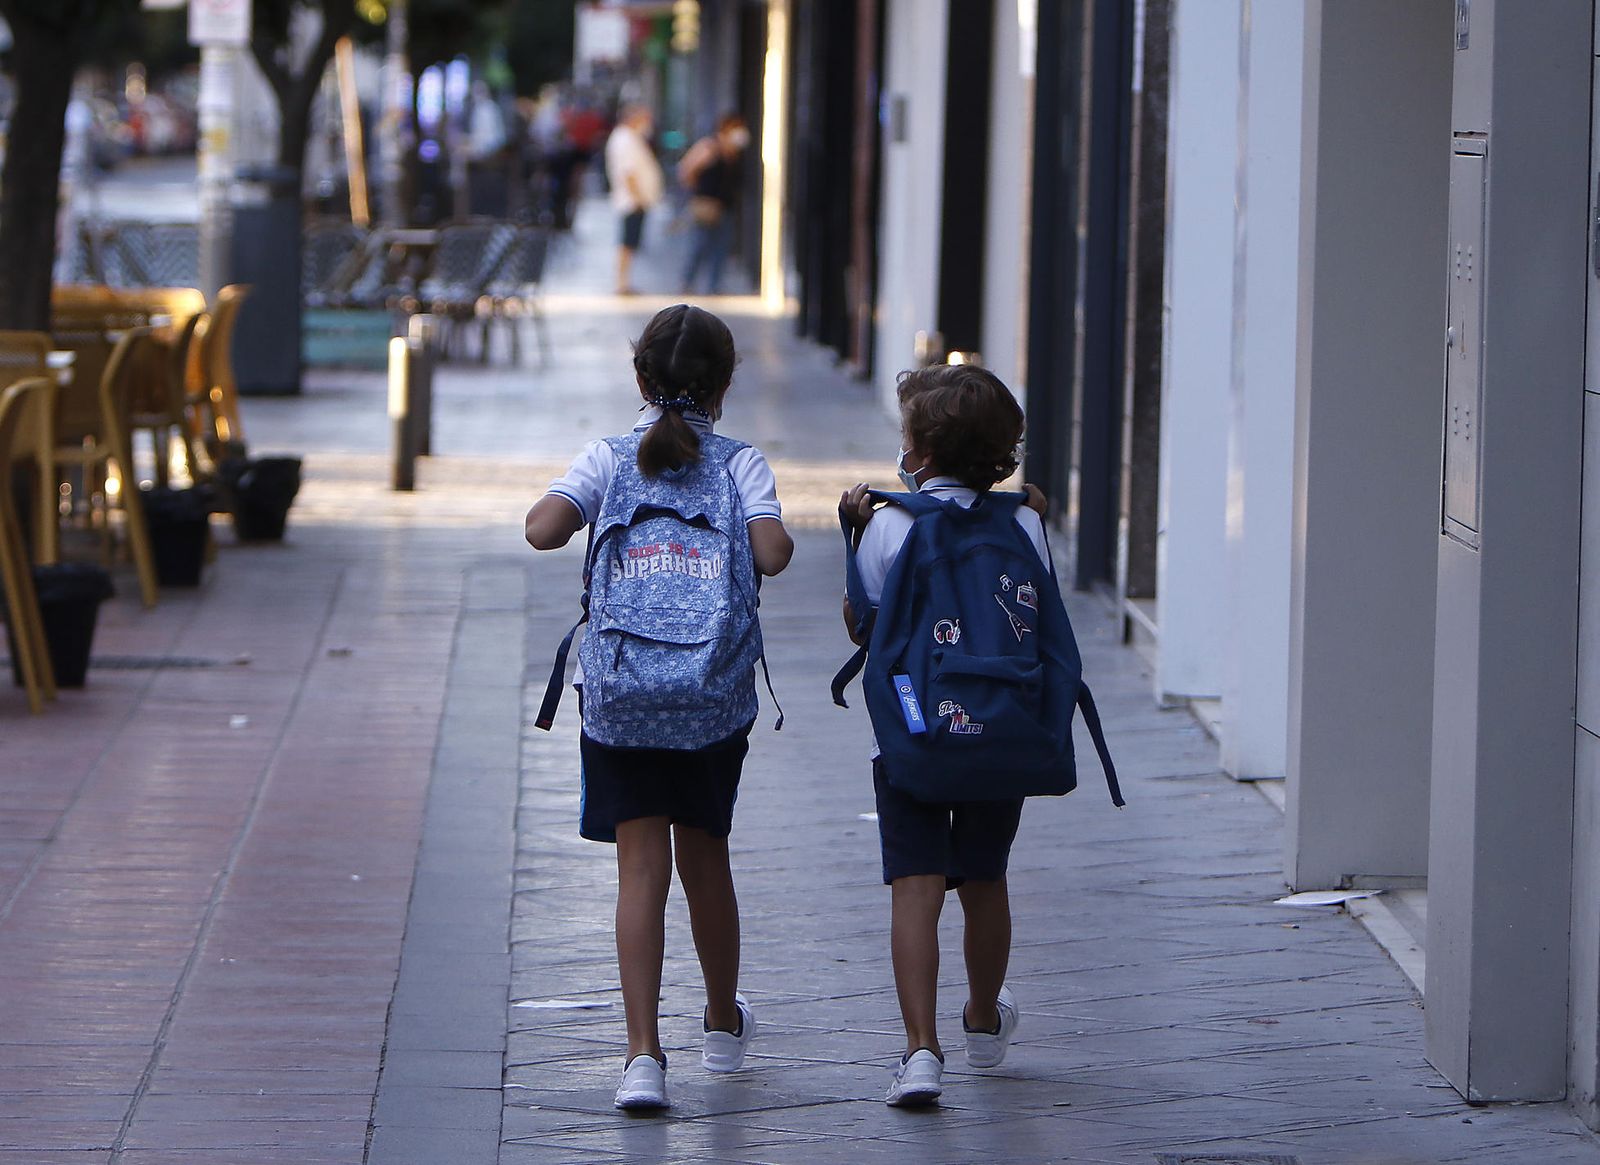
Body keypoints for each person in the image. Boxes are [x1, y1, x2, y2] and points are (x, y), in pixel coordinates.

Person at [524, 304, 795, 1111]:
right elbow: (773, 554)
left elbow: (542, 529)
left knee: (639, 871)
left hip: (622, 693)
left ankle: (643, 1055)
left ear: (638, 378)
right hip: (709, 696)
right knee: (704, 860)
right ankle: (720, 1022)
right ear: (726, 384)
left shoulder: (607, 458)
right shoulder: (741, 463)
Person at [838, 364, 1048, 1108]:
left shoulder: (891, 522)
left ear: (920, 452)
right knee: (985, 879)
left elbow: (864, 622)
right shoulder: (1024, 521)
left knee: (916, 886)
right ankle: (984, 1022)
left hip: (913, 735)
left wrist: (853, 529)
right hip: (999, 733)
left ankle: (921, 1050)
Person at [676, 114, 751, 294]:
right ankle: (687, 282)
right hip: (706, 206)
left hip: (726, 207)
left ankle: (715, 285)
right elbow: (686, 170)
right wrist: (698, 193)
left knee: (721, 247)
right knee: (699, 244)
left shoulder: (734, 153)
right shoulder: (709, 147)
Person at [604, 105, 665, 295]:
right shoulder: (625, 140)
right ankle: (621, 283)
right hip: (632, 201)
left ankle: (623, 282)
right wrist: (638, 198)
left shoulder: (629, 138)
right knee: (627, 243)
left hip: (635, 200)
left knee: (629, 243)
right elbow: (628, 172)